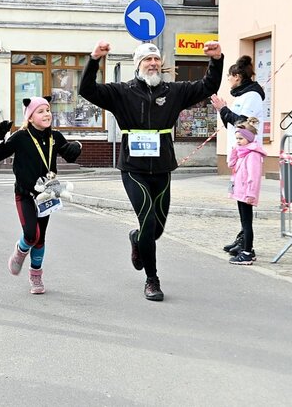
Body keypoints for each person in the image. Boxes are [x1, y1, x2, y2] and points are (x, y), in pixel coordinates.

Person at [78, 40, 223, 301]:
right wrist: (95, 59)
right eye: (147, 59)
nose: (153, 63)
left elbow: (208, 86)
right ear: (138, 65)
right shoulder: (122, 92)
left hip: (162, 167)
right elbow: (87, 90)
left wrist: (216, 60)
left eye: (156, 59)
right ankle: (152, 279)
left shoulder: (174, 91)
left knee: (156, 229)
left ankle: (137, 239)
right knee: (147, 219)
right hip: (133, 168)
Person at [0, 96, 82, 294]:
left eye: (48, 110)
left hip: (47, 195)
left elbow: (69, 154)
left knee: (41, 238)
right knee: (31, 234)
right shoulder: (20, 137)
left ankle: (36, 276)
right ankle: (20, 250)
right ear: (30, 117)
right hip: (25, 194)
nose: (46, 114)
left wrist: (77, 146)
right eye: (40, 111)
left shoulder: (55, 137)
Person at [210, 55, 266, 253]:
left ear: (237, 76)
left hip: (248, 155)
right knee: (240, 199)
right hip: (239, 154)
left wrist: (223, 109)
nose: (228, 79)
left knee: (244, 201)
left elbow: (245, 126)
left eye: (229, 76)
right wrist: (222, 111)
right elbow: (233, 125)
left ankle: (247, 246)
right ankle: (242, 238)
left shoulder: (252, 96)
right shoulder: (242, 96)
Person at [226, 118, 267, 265]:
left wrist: (251, 194)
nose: (238, 141)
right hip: (240, 192)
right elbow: (231, 164)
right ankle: (246, 248)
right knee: (244, 222)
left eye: (240, 139)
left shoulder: (253, 155)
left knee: (247, 223)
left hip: (247, 194)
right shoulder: (242, 152)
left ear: (249, 138)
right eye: (237, 138)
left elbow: (254, 176)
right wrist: (234, 150)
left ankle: (247, 253)